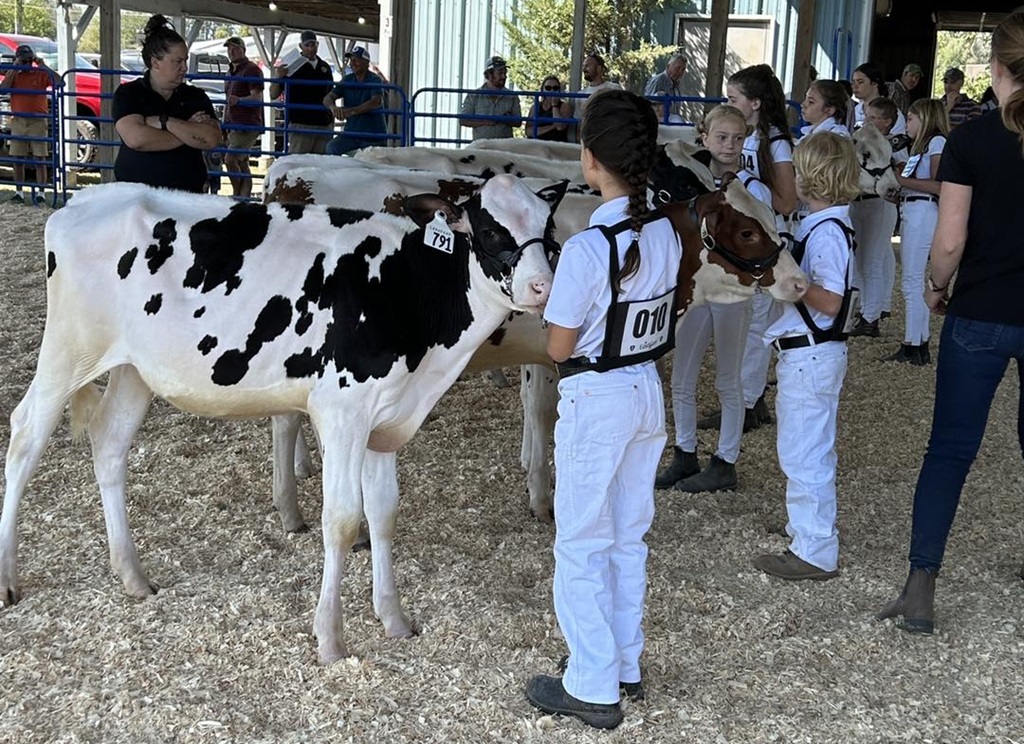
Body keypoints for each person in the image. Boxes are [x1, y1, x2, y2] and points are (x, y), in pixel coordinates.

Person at [524, 89, 680, 730]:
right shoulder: (667, 230)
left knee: (581, 540)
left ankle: (591, 682)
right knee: (627, 534)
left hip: (597, 395)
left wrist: (551, 302)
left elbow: (560, 347)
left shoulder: (591, 248)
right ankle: (624, 660)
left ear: (590, 160)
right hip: (646, 389)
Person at [877, 10, 1024, 635]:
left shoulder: (973, 139)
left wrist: (936, 287)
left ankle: (920, 587)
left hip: (982, 309)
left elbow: (950, 238)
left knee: (950, 451)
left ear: (995, 68)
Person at [754, 131, 860, 581]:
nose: (792, 177)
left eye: (797, 169)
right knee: (802, 447)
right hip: (811, 354)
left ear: (813, 177)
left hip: (812, 352)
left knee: (806, 451)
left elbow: (832, 300)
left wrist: (795, 285)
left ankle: (815, 550)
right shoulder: (821, 225)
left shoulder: (828, 233)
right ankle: (806, 529)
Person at [656, 105, 771, 494]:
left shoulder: (752, 189)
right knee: (682, 376)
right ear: (702, 137)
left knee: (728, 377)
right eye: (721, 137)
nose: (730, 145)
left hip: (732, 291)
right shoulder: (688, 182)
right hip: (695, 287)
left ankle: (726, 460)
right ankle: (684, 450)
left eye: (738, 138)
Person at [714, 64, 796, 433]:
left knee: (756, 323)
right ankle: (750, 397)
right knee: (747, 321)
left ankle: (746, 403)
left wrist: (742, 179)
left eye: (734, 99)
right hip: (746, 238)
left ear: (756, 104)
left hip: (766, 239)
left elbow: (786, 201)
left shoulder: (775, 142)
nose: (728, 104)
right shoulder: (748, 137)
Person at [112, 15, 221, 193]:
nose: (184, 67)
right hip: (136, 198)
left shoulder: (195, 96)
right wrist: (189, 133)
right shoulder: (129, 93)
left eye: (185, 60)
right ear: (155, 63)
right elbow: (136, 139)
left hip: (187, 197)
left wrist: (165, 122)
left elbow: (211, 139)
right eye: (178, 61)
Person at [885, 98, 948, 365]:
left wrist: (900, 180)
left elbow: (938, 185)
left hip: (923, 212)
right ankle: (918, 341)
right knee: (913, 279)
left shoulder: (936, 143)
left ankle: (913, 343)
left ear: (925, 119)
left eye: (911, 118)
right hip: (913, 208)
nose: (907, 123)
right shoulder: (920, 147)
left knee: (911, 279)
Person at [848, 97, 901, 338]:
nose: (866, 122)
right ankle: (864, 310)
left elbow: (898, 173)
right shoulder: (858, 142)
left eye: (873, 118)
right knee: (859, 259)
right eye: (866, 116)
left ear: (887, 122)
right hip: (857, 202)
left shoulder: (895, 146)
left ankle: (871, 318)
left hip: (879, 205)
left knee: (872, 261)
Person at [0, 44, 56, 204]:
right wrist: (13, 69)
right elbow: (2, 89)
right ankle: (19, 193)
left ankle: (41, 194)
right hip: (18, 120)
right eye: (22, 60)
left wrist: (44, 66)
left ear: (32, 60)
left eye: (27, 60)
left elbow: (59, 82)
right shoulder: (14, 75)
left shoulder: (40, 73)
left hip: (38, 120)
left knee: (40, 158)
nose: (25, 64)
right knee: (17, 158)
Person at [269, 31, 335, 155]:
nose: (310, 48)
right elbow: (273, 94)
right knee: (298, 163)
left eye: (313, 44)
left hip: (323, 122)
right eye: (307, 45)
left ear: (317, 45)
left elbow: (331, 93)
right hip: (300, 122)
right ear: (301, 46)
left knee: (320, 164)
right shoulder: (291, 66)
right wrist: (278, 78)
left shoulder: (325, 67)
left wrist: (331, 118)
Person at [323, 46, 388, 155]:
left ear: (366, 63)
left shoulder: (374, 79)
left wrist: (351, 111)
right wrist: (333, 108)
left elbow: (376, 101)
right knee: (331, 148)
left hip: (373, 135)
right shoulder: (348, 79)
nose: (352, 63)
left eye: (356, 60)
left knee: (372, 162)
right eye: (351, 60)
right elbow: (328, 98)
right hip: (352, 133)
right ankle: (337, 172)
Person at [221, 36, 263, 198]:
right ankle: (244, 196)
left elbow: (257, 98)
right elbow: (228, 101)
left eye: (235, 48)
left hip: (247, 124)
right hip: (234, 123)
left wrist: (239, 101)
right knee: (242, 162)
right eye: (229, 49)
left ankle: (237, 194)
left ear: (243, 50)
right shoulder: (231, 71)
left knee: (230, 159)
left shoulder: (252, 70)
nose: (231, 51)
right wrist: (225, 124)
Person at [459, 55, 521, 140]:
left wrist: (505, 119)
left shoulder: (512, 96)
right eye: (500, 73)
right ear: (489, 74)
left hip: (503, 147)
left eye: (505, 73)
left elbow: (518, 122)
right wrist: (486, 122)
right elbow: (463, 120)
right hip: (483, 147)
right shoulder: (473, 96)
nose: (504, 76)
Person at [850, 62, 907, 134]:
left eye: (860, 82)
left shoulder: (892, 113)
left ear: (875, 83)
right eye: (853, 82)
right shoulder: (854, 110)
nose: (854, 86)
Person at [574, 53, 622, 120]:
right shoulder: (580, 95)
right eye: (583, 66)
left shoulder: (614, 88)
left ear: (599, 68)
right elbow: (580, 119)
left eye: (587, 66)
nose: (584, 69)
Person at [524, 75, 572, 141]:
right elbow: (528, 131)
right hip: (536, 144)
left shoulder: (565, 106)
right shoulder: (535, 107)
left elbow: (560, 126)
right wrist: (552, 127)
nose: (552, 91)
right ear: (542, 90)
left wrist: (554, 105)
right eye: (548, 88)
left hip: (556, 144)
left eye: (555, 88)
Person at [644, 52, 687, 123]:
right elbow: (650, 103)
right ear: (668, 66)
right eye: (677, 68)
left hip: (671, 123)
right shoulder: (658, 81)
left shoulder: (675, 83)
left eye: (683, 70)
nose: (680, 72)